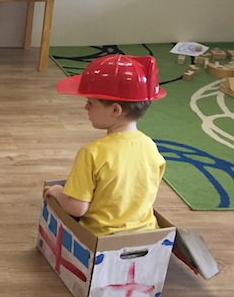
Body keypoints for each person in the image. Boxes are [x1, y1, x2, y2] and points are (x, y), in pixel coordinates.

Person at [42, 54, 167, 236]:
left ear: (115, 110)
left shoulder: (92, 153)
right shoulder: (150, 147)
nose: (86, 108)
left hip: (101, 237)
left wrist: (58, 191)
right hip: (147, 233)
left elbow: (77, 208)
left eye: (90, 103)